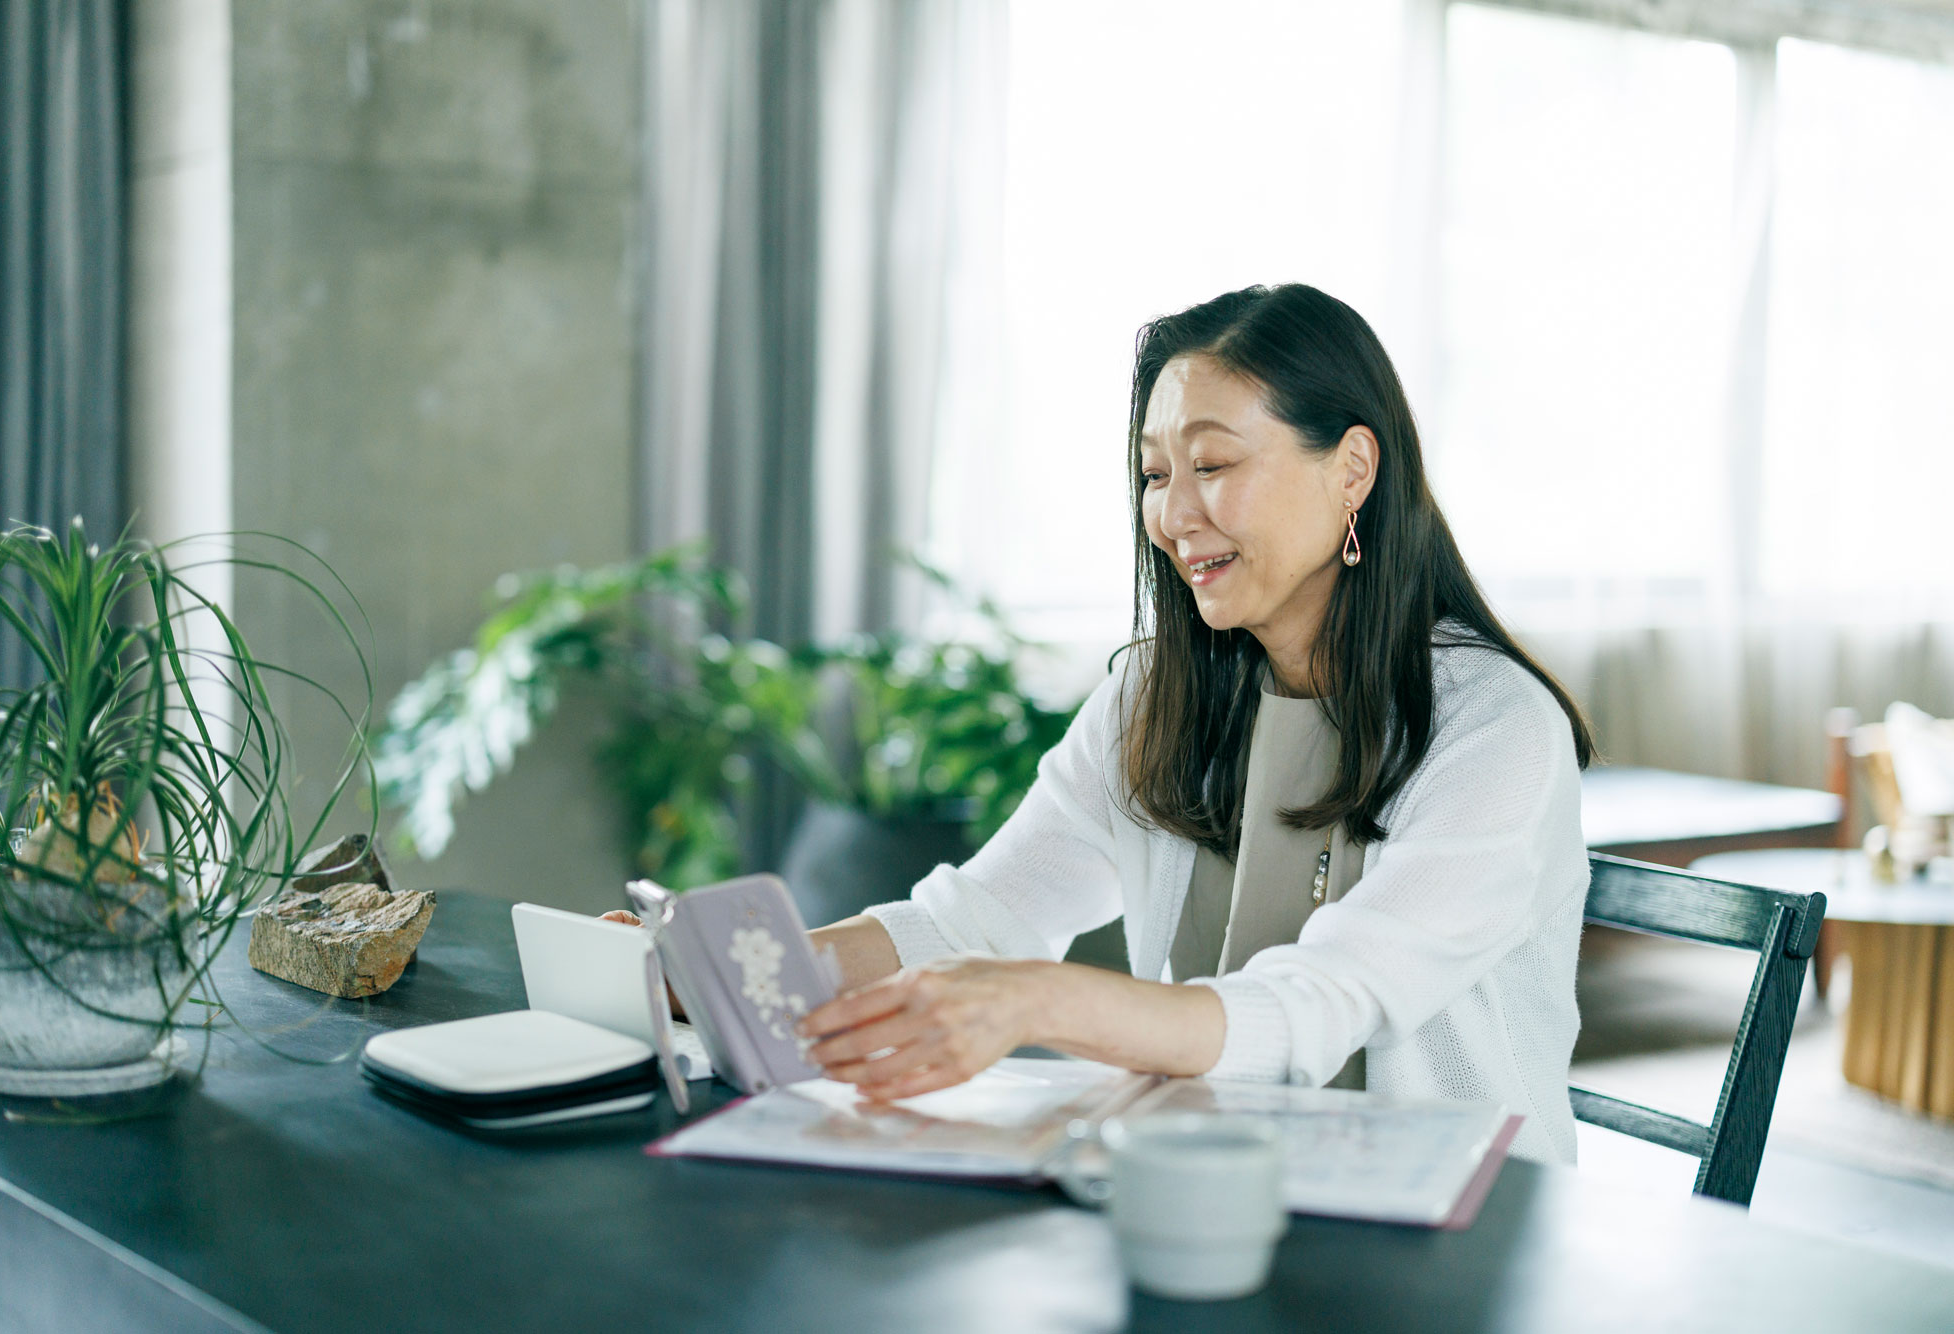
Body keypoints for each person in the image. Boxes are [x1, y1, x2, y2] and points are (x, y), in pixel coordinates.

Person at [623, 283, 1595, 1163]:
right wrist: (721, 971)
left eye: (1210, 462)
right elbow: (974, 921)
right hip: (1206, 1179)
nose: (1171, 515)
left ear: (1351, 469)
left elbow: (1324, 999)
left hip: (1448, 1222)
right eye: (1152, 473)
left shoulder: (1494, 730)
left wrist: (1041, 1001)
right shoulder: (1155, 697)